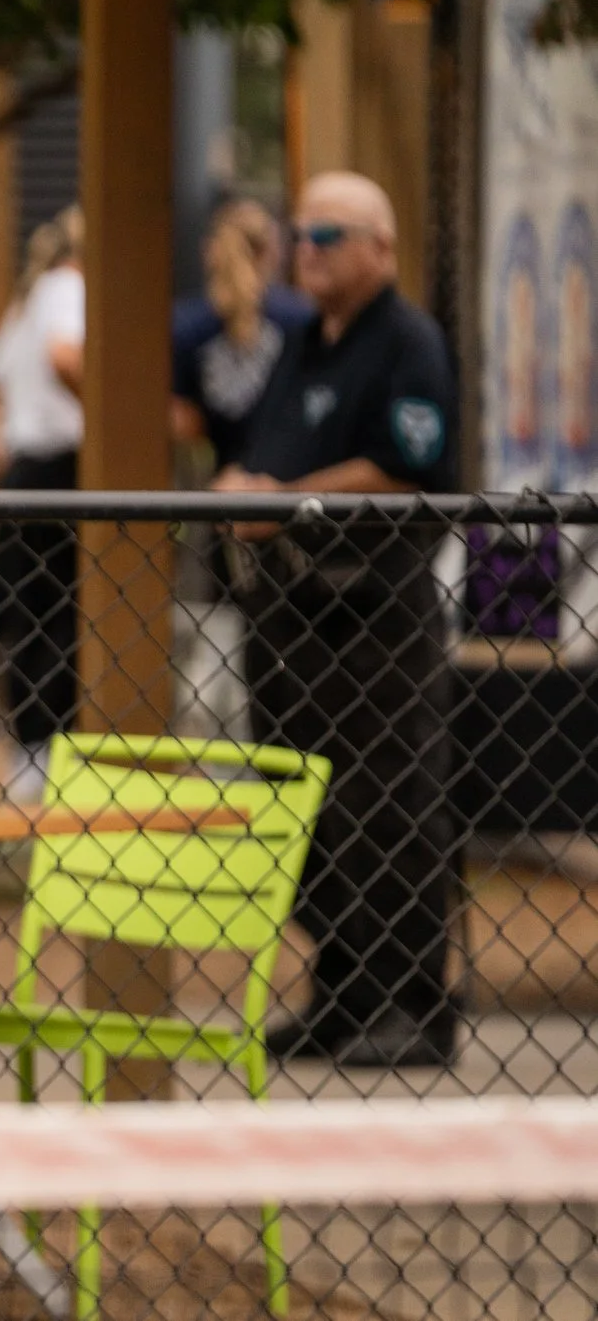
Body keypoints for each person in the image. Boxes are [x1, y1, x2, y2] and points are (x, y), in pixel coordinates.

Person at [213, 170, 459, 1071]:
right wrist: (243, 486)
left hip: (373, 615)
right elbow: (270, 448)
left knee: (387, 808)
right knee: (305, 807)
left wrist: (283, 499)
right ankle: (343, 994)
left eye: (327, 236)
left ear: (379, 249)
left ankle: (409, 1004)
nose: (306, 251)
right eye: (300, 234)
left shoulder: (407, 341)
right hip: (289, 616)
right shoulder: (301, 341)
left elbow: (407, 469)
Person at [0, 207, 85, 800]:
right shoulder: (70, 288)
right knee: (60, 610)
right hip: (62, 465)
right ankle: (46, 744)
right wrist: (116, 409)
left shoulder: (30, 299)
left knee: (17, 608)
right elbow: (66, 357)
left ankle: (29, 748)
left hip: (24, 468)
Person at [172, 198, 311, 470]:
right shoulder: (301, 318)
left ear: (210, 251)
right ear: (271, 251)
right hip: (291, 485)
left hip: (218, 486)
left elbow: (180, 419)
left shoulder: (185, 323)